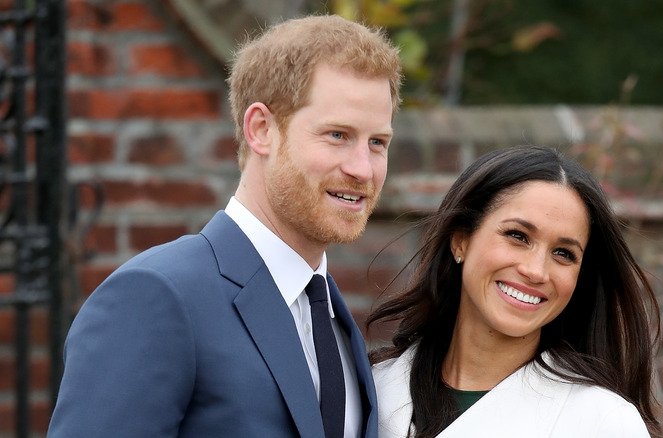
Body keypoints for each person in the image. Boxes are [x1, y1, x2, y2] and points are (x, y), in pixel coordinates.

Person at [49, 14, 402, 438]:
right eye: (337, 135)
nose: (362, 168)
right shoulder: (156, 296)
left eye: (377, 142)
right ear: (261, 129)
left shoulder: (331, 314)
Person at [367, 145, 661, 437]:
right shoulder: (370, 390)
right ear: (461, 241)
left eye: (563, 253)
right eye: (517, 236)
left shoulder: (603, 422)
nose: (535, 270)